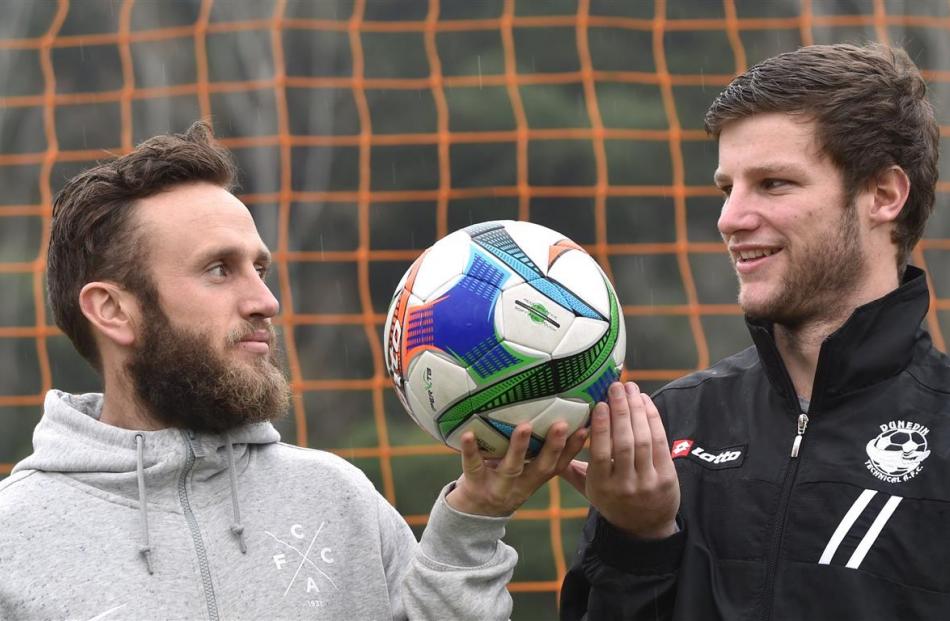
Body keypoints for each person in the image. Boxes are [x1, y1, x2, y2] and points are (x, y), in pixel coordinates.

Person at [0, 121, 587, 620]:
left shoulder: (336, 497)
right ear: (113, 310)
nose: (265, 301)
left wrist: (474, 520)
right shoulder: (14, 540)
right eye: (218, 271)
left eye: (260, 268)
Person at [560, 42, 946, 620]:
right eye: (727, 187)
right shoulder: (673, 425)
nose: (730, 218)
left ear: (883, 195)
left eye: (773, 183)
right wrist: (637, 543)